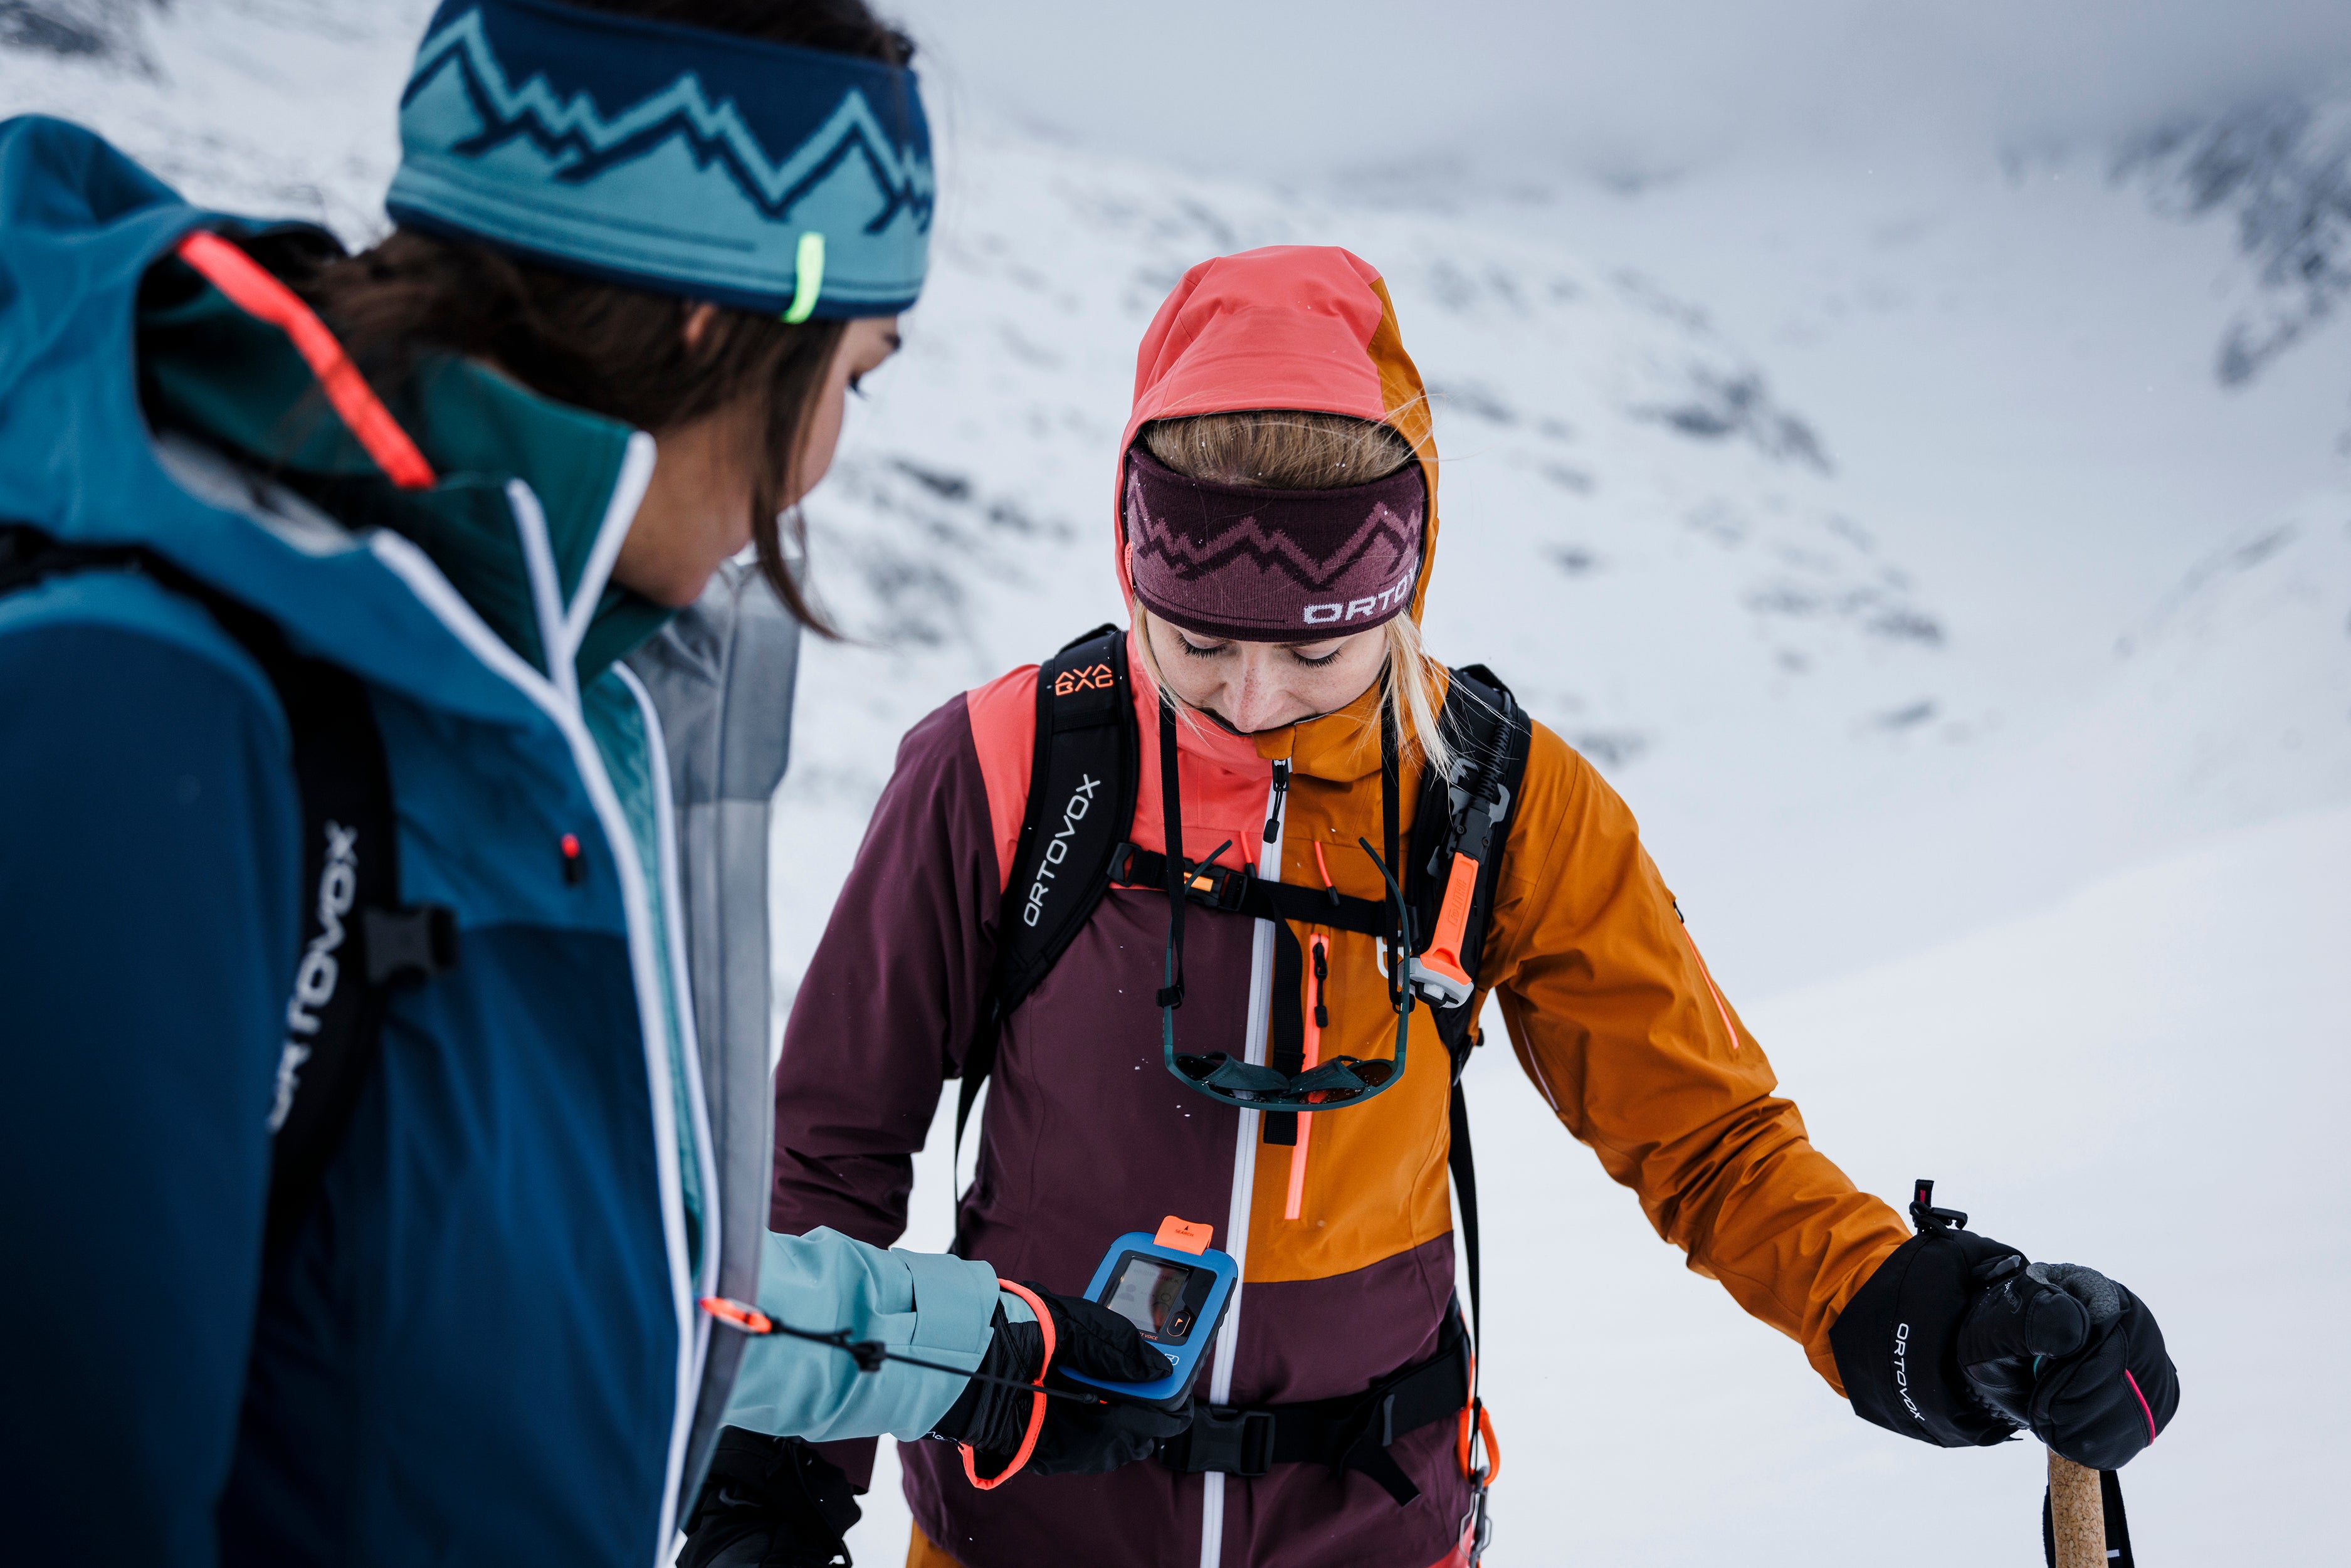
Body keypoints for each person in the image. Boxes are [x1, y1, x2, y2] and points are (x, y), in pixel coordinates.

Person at [761, 245, 2183, 1568]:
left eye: (1314, 659)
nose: (1251, 704)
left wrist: (1924, 1316)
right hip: (1026, 1523)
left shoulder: (1500, 805)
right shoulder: (1008, 772)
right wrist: (773, 1477)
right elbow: (826, 1154)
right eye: (1196, 646)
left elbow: (1708, 1140)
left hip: (1373, 1524)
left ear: (1403, 588)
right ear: (1131, 566)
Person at [0, 3, 1172, 1565]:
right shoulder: (148, 721)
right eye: (853, 378)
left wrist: (973, 1348)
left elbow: (560, 1276)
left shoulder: (552, 691)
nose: (825, 454)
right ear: (710, 324)